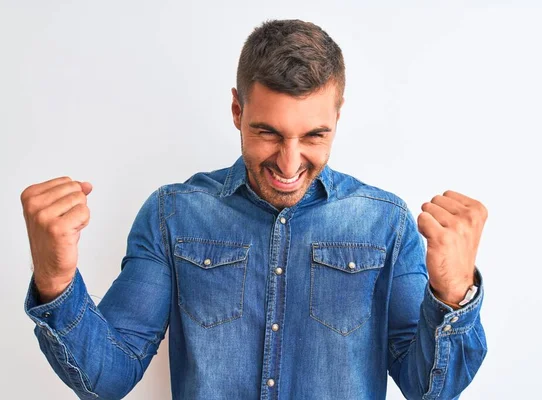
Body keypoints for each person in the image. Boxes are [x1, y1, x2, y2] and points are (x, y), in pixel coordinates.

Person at [21, 19, 488, 400]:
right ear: (236, 110)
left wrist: (453, 295)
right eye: (268, 132)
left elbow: (429, 390)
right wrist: (55, 281)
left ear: (338, 116)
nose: (289, 162)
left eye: (314, 136)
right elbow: (107, 378)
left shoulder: (386, 223)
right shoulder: (172, 216)